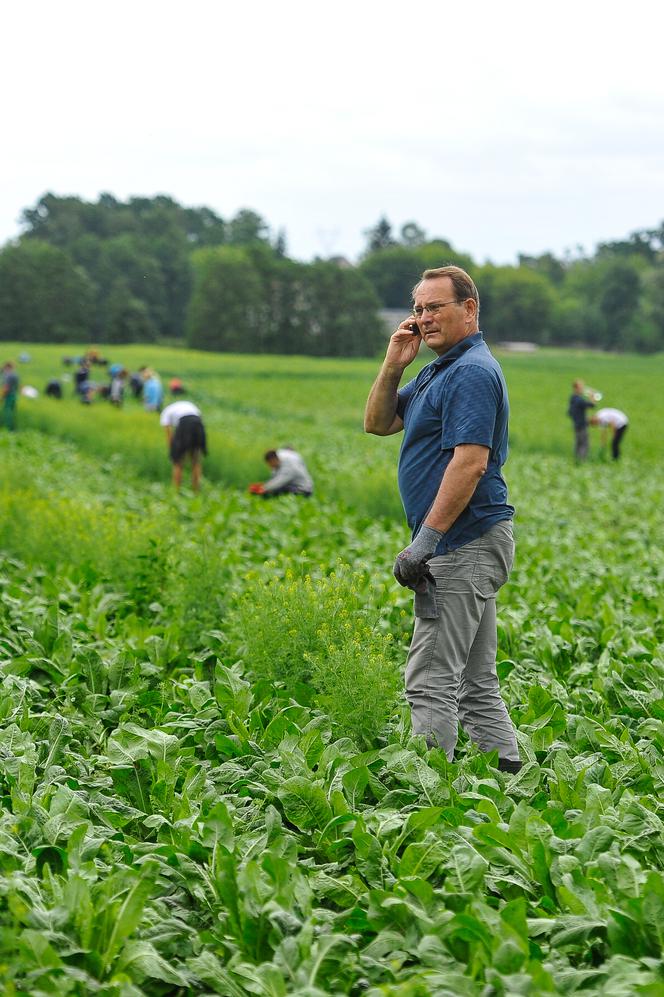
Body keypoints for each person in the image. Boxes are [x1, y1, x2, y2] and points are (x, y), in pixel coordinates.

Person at [364, 265, 521, 773]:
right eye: (419, 309)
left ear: (469, 309)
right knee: (476, 686)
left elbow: (470, 461)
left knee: (430, 680)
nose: (424, 319)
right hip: (468, 542)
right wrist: (394, 365)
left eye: (436, 308)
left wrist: (425, 543)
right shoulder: (440, 369)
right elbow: (379, 422)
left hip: (462, 542)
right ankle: (511, 784)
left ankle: (430, 801)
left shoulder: (472, 371)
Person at [160, 399, 207, 491]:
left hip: (185, 423)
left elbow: (168, 434)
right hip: (198, 424)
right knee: (196, 460)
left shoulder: (165, 413)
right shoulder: (186, 405)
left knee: (177, 461)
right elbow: (200, 419)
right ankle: (196, 491)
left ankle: (176, 490)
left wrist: (172, 450)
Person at [249, 447, 314, 497]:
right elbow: (274, 478)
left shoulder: (289, 466)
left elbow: (279, 482)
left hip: (303, 490)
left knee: (273, 492)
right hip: (295, 485)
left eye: (270, 464)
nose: (270, 466)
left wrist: (262, 488)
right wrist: (264, 486)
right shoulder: (280, 457)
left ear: (273, 460)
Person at [567, 379, 597, 462]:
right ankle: (581, 461)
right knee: (584, 444)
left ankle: (576, 460)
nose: (582, 389)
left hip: (576, 424)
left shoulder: (572, 398)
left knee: (578, 443)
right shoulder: (579, 399)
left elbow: (569, 412)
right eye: (581, 387)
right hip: (582, 425)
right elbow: (592, 405)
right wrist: (592, 396)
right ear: (576, 388)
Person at [2, 362, 19, 430]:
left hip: (9, 396)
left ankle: (7, 428)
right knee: (12, 411)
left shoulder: (9, 376)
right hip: (14, 395)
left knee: (7, 412)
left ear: (7, 367)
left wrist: (2, 397)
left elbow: (6, 387)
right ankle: (13, 427)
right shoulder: (16, 375)